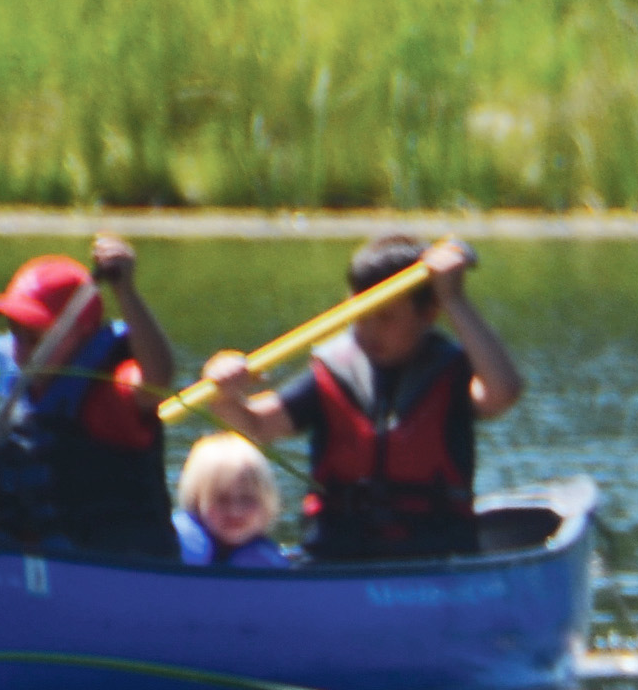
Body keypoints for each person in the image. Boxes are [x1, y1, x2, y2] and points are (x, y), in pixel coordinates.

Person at [197, 233, 525, 564]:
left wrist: (454, 299)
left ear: (429, 313)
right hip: (336, 554)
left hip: (434, 554)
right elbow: (254, 426)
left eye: (386, 317)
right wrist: (223, 394)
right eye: (362, 315)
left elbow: (504, 392)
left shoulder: (452, 373)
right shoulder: (335, 371)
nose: (369, 330)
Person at [0, 238, 184, 554]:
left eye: (34, 338)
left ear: (81, 334)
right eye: (15, 333)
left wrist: (126, 292)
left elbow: (157, 380)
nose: (20, 351)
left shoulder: (110, 392)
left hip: (119, 573)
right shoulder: (19, 404)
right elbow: (8, 515)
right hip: (38, 573)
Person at [171, 435, 298, 569]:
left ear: (266, 505)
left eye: (247, 499)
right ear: (196, 502)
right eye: (221, 499)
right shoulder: (169, 553)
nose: (234, 511)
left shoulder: (273, 569)